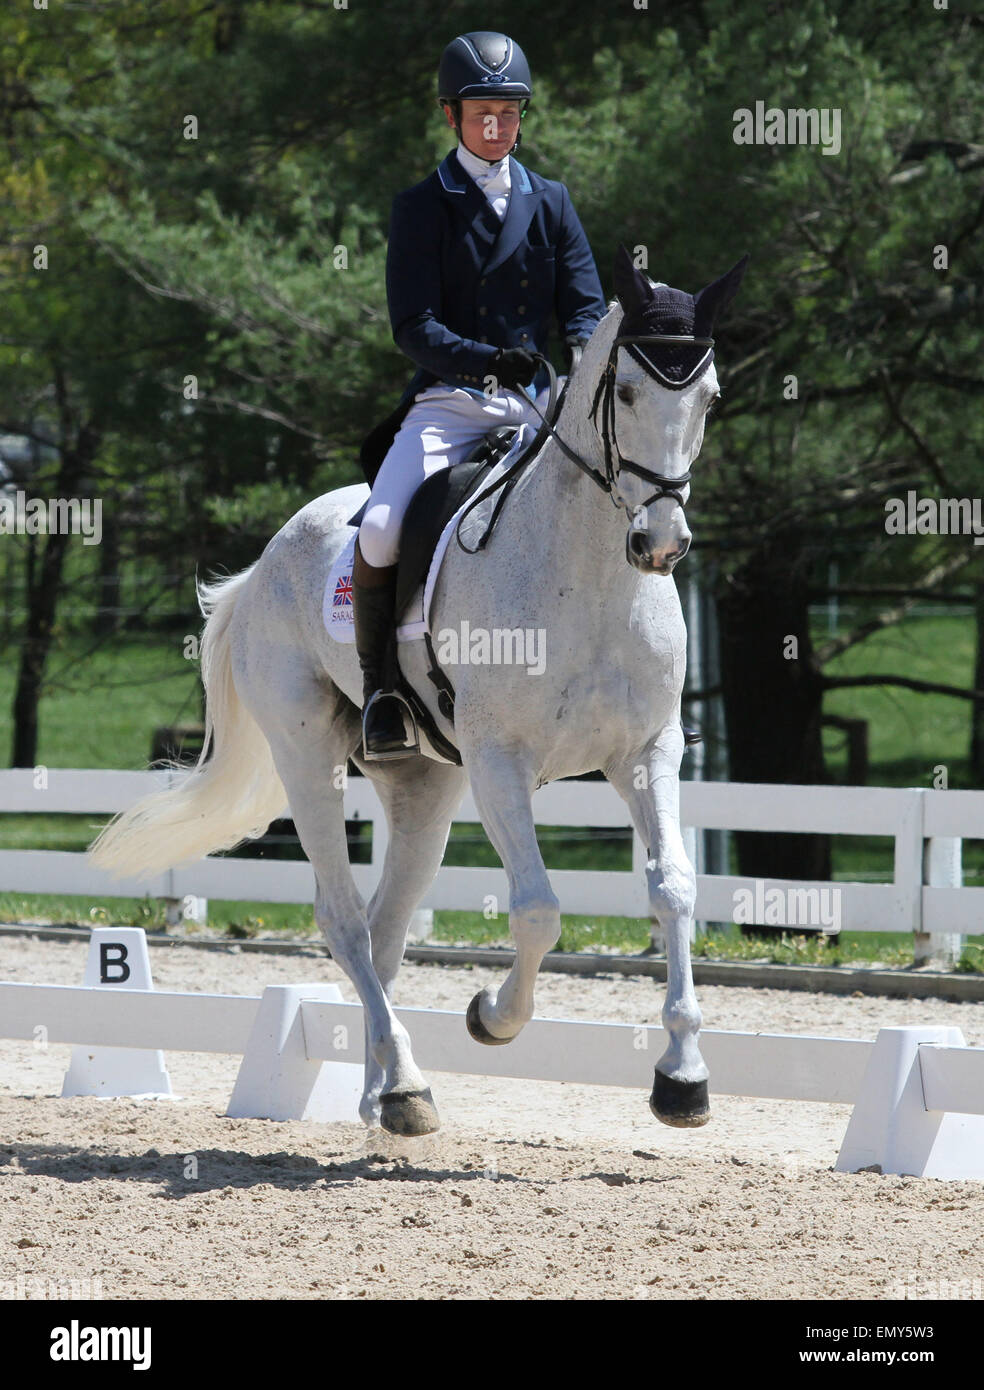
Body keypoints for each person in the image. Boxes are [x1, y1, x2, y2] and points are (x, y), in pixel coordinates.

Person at [353, 29, 606, 757]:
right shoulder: (423, 206)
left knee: (618, 503)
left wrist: (585, 357)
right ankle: (383, 692)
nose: (495, 126)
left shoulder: (550, 202)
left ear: (521, 116)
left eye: (507, 112)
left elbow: (583, 303)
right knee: (377, 530)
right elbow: (413, 326)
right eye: (480, 113)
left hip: (538, 406)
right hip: (450, 403)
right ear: (451, 115)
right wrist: (488, 362)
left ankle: (631, 683)